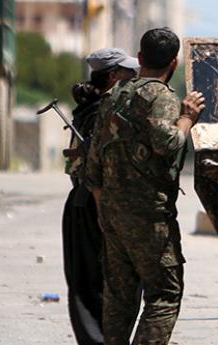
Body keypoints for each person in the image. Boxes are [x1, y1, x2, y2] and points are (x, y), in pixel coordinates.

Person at [84, 28, 205, 345]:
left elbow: (92, 164)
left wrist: (104, 210)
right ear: (174, 62)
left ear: (139, 57)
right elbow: (168, 143)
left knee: (119, 296)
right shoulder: (161, 97)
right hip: (149, 217)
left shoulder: (114, 96)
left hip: (112, 213)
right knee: (165, 294)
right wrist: (187, 118)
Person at [63, 48, 138, 345]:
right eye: (128, 74)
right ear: (113, 77)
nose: (134, 79)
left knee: (96, 279)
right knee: (96, 280)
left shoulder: (94, 106)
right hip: (95, 201)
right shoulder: (103, 110)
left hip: (91, 201)